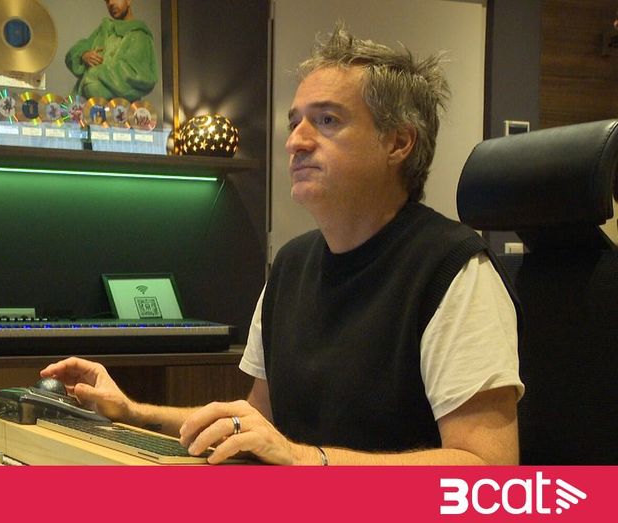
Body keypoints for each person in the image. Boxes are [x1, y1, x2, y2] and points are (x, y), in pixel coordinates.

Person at [42, 26, 524, 465]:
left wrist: (307, 460)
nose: (296, 141)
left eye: (327, 120)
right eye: (295, 122)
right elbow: (253, 426)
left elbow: (489, 469)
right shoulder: (291, 265)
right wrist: (131, 411)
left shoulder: (455, 270)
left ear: (398, 143)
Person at [64, 0, 158, 101]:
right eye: (107, 1)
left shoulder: (140, 35)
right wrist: (84, 55)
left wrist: (95, 74)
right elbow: (73, 52)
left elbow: (139, 76)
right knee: (57, 108)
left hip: (119, 108)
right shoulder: (104, 29)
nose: (111, 3)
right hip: (79, 104)